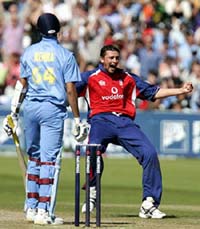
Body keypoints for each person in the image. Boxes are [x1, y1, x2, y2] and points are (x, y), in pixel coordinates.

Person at [76, 44, 193, 219]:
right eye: (111, 58)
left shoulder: (128, 78)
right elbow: (68, 90)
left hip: (125, 123)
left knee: (150, 153)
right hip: (100, 121)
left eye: (117, 58)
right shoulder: (90, 77)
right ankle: (92, 192)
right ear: (102, 59)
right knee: (93, 151)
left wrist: (180, 90)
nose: (114, 61)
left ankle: (149, 203)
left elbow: (153, 92)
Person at [3, 13, 87, 225]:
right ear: (58, 31)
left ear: (39, 31)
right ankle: (44, 211)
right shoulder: (65, 55)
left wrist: (13, 112)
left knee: (34, 157)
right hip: (52, 108)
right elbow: (70, 89)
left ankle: (31, 207)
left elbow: (21, 84)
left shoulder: (29, 52)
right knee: (50, 161)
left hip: (30, 108)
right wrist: (77, 119)